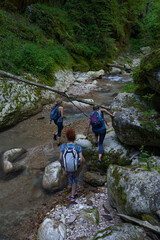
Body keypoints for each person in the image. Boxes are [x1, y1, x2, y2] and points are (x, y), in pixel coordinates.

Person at [59, 128, 83, 202]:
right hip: (75, 167)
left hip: (67, 167)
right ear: (74, 137)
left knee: (70, 176)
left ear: (67, 137)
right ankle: (72, 196)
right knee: (75, 179)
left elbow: (60, 158)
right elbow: (81, 159)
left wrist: (63, 166)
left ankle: (70, 186)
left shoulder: (63, 146)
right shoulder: (77, 147)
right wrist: (80, 169)